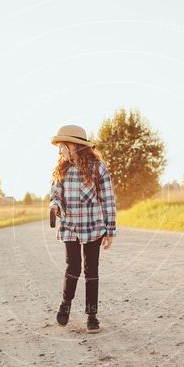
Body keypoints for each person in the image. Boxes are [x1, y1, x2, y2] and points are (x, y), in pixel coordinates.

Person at [49, 124, 116, 332]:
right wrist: (54, 207)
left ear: (74, 146)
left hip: (93, 227)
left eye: (62, 146)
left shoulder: (98, 168)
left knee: (91, 270)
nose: (60, 151)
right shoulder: (61, 169)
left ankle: (92, 315)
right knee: (73, 267)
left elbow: (108, 200)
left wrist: (110, 231)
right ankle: (65, 304)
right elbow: (56, 196)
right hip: (70, 226)